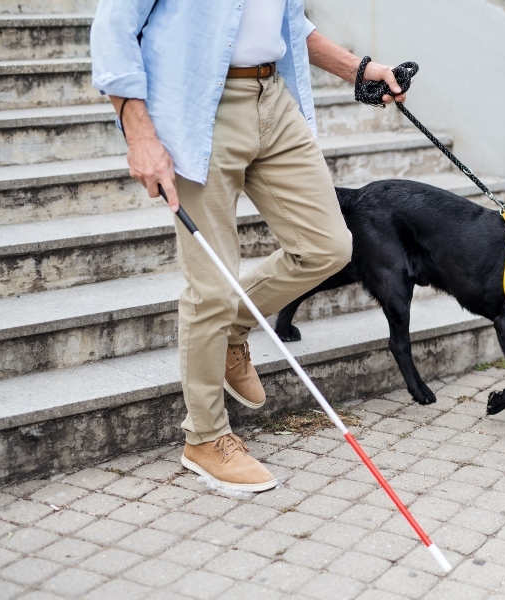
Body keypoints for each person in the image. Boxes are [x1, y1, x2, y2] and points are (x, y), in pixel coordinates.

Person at [90, 0, 407, 491]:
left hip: (273, 99)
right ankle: (204, 438)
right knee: (211, 287)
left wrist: (359, 70)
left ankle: (232, 333)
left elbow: (284, 22)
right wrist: (139, 135)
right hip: (197, 104)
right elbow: (114, 26)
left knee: (327, 247)